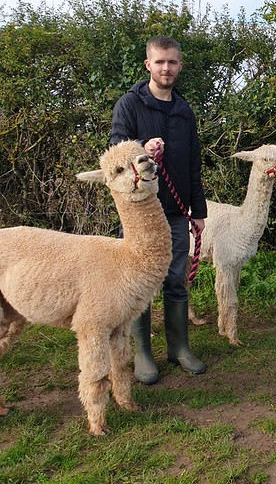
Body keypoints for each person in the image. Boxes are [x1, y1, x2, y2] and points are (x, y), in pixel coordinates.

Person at [110, 35, 207, 383]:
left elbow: (194, 162)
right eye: (160, 62)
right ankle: (142, 355)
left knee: (177, 280)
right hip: (140, 213)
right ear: (148, 65)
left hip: (178, 213)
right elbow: (115, 152)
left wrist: (199, 211)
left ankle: (179, 348)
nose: (166, 68)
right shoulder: (129, 105)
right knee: (139, 284)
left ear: (179, 66)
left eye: (172, 62)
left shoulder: (184, 111)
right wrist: (141, 148)